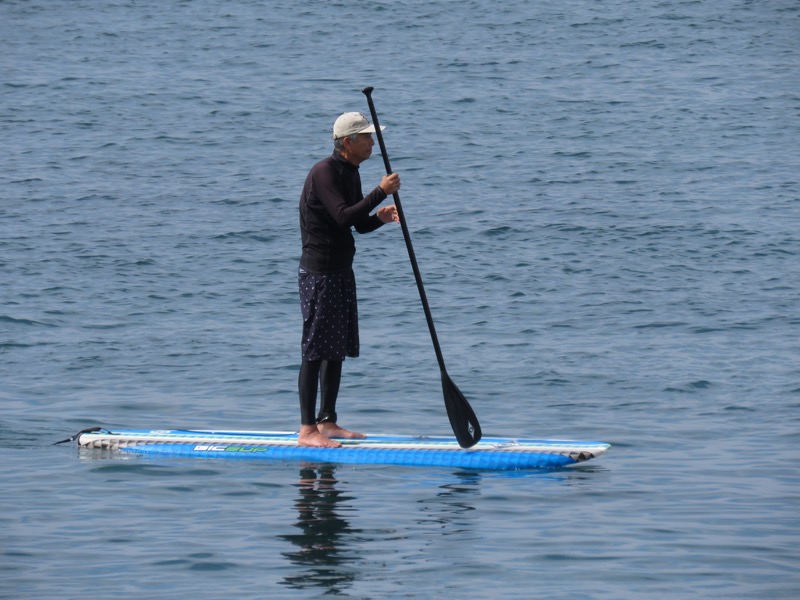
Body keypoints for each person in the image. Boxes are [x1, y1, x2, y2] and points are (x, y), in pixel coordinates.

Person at [296, 112, 401, 448]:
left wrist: (379, 219)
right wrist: (380, 193)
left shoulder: (350, 172)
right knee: (315, 350)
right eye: (366, 137)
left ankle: (328, 421)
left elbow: (355, 223)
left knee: (335, 347)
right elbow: (342, 216)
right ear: (347, 142)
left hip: (341, 269)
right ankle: (307, 429)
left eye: (372, 137)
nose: (372, 142)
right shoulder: (324, 172)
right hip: (319, 271)